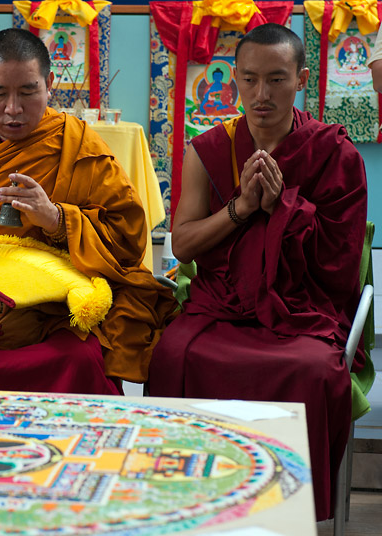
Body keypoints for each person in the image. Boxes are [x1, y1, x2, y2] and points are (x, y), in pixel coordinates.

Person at [148, 24, 368, 521]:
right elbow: (182, 245)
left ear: (301, 80)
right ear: (234, 81)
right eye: (249, 79)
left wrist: (286, 210)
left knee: (313, 370)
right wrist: (242, 208)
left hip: (302, 309)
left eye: (276, 79)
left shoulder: (335, 154)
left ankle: (288, 512)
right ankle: (183, 505)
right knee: (172, 353)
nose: (261, 94)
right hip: (221, 304)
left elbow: (339, 266)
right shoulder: (209, 149)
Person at [0, 28, 177, 396]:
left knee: (81, 357)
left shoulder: (79, 146)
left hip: (54, 310)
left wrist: (57, 219)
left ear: (49, 84)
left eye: (28, 92)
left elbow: (128, 241)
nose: (13, 109)